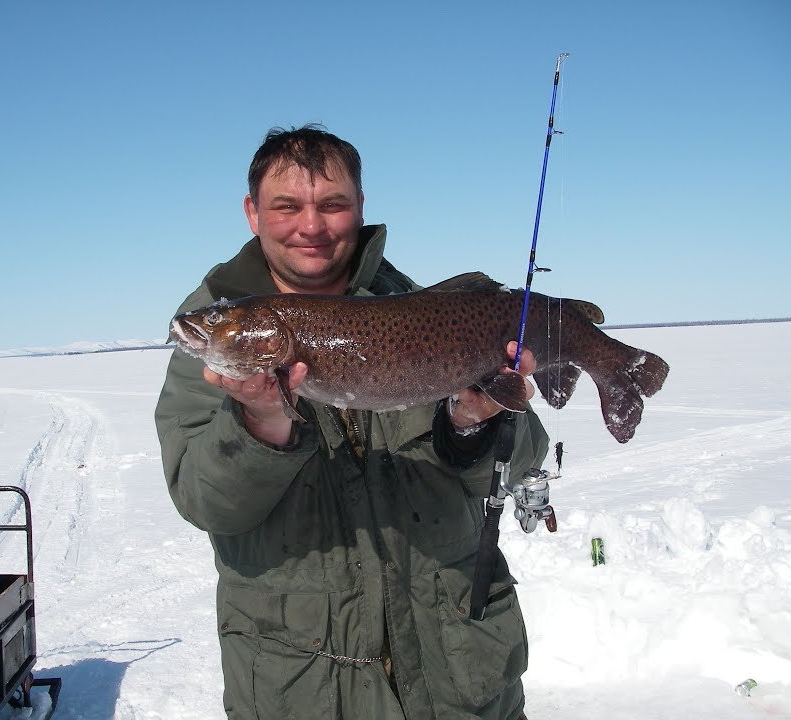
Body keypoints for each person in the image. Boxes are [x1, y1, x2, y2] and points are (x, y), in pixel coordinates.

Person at [155, 124, 550, 720]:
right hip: (304, 688)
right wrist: (260, 424)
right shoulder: (214, 347)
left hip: (463, 680)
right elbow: (206, 503)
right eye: (286, 206)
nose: (310, 226)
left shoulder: (426, 312)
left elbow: (516, 467)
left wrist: (474, 420)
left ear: (360, 209)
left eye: (332, 205)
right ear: (253, 213)